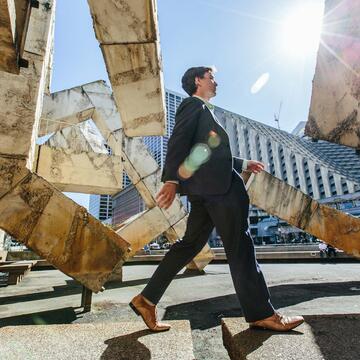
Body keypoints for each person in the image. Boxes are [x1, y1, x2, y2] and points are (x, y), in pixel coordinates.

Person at [129, 66, 304, 332]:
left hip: (207, 190)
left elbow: (208, 154)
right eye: (211, 77)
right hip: (219, 190)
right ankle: (262, 313)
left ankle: (146, 299)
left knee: (188, 246)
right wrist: (171, 180)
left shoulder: (205, 112)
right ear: (198, 81)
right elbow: (178, 141)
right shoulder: (192, 106)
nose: (216, 81)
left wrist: (244, 162)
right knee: (240, 245)